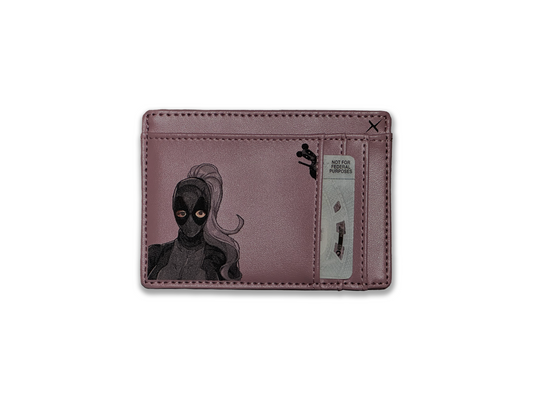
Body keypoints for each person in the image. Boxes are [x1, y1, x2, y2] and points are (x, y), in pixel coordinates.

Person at [148, 164, 243, 281]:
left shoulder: (219, 259)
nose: (190, 221)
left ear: (208, 212)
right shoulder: (155, 254)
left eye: (199, 213)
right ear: (174, 210)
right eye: (182, 213)